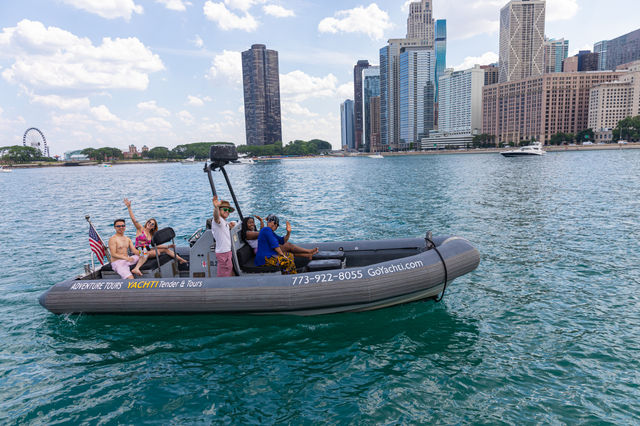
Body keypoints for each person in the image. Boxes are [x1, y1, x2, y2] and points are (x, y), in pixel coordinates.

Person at [123, 198, 186, 276]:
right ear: (147, 223)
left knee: (165, 250)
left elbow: (155, 245)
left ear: (153, 227)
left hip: (146, 249)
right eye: (149, 222)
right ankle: (136, 268)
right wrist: (129, 207)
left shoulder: (152, 235)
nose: (150, 224)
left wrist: (168, 246)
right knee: (156, 253)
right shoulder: (140, 229)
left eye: (152, 224)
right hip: (139, 250)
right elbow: (133, 219)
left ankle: (181, 260)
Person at [242, 215, 318, 259]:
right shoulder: (248, 234)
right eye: (250, 223)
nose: (252, 224)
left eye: (253, 222)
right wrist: (269, 225)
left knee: (286, 248)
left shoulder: (254, 232)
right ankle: (308, 251)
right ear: (245, 224)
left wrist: (262, 221)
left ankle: (307, 255)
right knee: (288, 246)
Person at [212, 196, 236, 277]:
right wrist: (216, 207)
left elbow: (223, 227)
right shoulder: (217, 220)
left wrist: (230, 226)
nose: (227, 212)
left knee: (229, 269)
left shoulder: (224, 222)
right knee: (224, 273)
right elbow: (216, 217)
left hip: (227, 252)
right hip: (223, 253)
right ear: (219, 210)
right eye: (225, 209)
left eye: (228, 210)